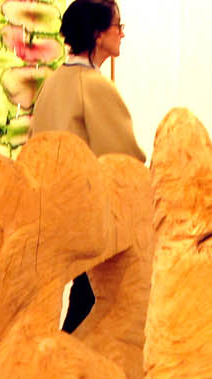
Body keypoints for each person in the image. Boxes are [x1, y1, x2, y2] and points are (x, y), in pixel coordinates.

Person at [29, 0, 143, 333]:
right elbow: (125, 161)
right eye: (117, 26)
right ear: (98, 34)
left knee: (80, 305)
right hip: (91, 223)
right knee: (96, 311)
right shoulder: (94, 86)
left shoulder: (52, 84)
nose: (122, 34)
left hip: (53, 216)